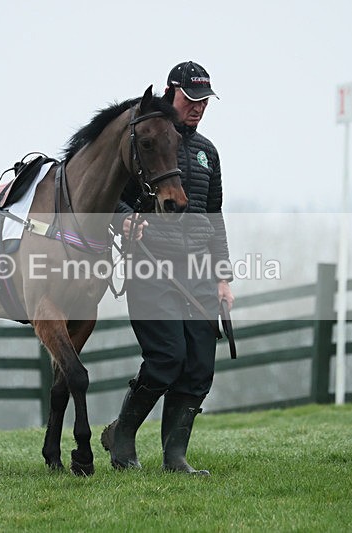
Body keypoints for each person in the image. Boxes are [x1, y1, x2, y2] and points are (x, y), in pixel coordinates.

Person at [101, 61, 234, 476]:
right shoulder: (143, 142)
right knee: (166, 358)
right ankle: (123, 438)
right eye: (190, 99)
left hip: (198, 271)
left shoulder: (208, 152)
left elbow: (215, 217)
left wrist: (223, 276)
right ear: (170, 91)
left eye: (203, 101)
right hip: (150, 265)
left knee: (198, 367)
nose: (197, 108)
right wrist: (124, 219)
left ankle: (175, 458)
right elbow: (106, 198)